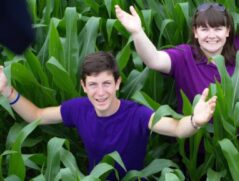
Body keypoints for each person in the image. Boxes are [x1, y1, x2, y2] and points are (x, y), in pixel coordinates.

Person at [0, 51, 217, 179]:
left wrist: (194, 121)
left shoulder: (137, 114)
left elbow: (177, 129)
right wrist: (6, 90)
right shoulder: (79, 108)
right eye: (93, 85)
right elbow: (36, 115)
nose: (100, 92)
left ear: (118, 84)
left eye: (106, 83)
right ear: (84, 86)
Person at [115, 1, 239, 112]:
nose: (211, 35)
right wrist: (137, 32)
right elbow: (154, 60)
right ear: (195, 32)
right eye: (204, 29)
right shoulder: (184, 56)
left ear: (228, 31)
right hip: (196, 153)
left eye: (218, 28)